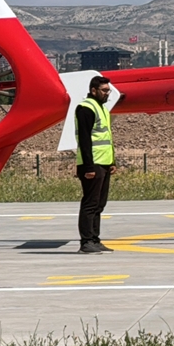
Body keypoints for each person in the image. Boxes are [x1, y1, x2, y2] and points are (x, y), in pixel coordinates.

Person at [75, 76, 115, 254]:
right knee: (90, 203)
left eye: (108, 90)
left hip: (104, 162)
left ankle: (95, 239)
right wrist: (89, 167)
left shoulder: (102, 109)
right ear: (93, 90)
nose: (108, 93)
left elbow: (106, 139)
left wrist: (112, 162)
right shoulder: (85, 108)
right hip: (92, 164)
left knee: (100, 204)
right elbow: (84, 140)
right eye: (104, 90)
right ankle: (86, 242)